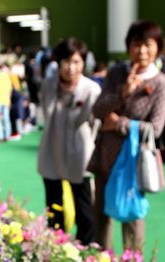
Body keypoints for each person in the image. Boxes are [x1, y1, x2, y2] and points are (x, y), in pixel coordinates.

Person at [88, 20, 165, 250]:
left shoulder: (162, 83)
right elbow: (97, 110)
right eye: (136, 44)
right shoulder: (116, 73)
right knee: (101, 220)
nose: (142, 51)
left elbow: (155, 129)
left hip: (134, 162)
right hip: (106, 157)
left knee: (132, 219)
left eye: (148, 44)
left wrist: (118, 123)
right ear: (128, 47)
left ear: (157, 47)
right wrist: (123, 92)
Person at [38, 37, 101, 245]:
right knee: (54, 204)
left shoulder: (91, 89)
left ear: (83, 63)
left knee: (84, 205)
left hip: (80, 151)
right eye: (67, 62)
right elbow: (46, 114)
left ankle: (85, 248)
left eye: (77, 62)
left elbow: (94, 124)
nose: (72, 68)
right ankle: (56, 245)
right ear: (58, 62)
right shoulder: (49, 85)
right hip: (52, 147)